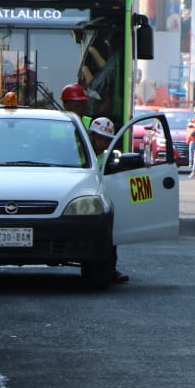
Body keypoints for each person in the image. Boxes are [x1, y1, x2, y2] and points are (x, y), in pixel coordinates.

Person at [86, 116, 130, 284]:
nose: (102, 143)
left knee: (110, 236)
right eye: (99, 138)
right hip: (81, 201)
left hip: (100, 201)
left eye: (106, 140)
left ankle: (110, 269)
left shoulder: (108, 158)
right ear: (91, 136)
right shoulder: (78, 152)